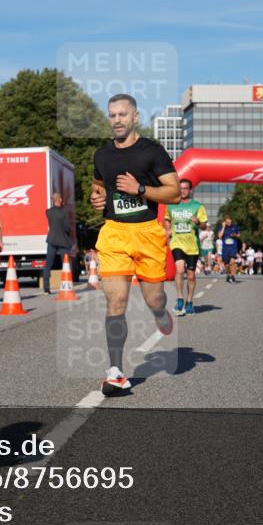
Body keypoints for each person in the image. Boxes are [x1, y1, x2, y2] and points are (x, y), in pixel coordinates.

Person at [90, 94, 180, 396]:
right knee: (115, 302)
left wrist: (140, 189)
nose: (117, 120)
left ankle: (160, 313)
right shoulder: (102, 155)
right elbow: (98, 185)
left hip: (147, 233)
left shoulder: (152, 151)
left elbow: (175, 193)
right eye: (112, 115)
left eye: (122, 115)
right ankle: (115, 371)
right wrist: (97, 197)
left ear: (135, 117)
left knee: (155, 299)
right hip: (114, 233)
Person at [165, 178, 207, 316]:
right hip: (177, 242)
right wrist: (168, 229)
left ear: (190, 190)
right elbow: (167, 219)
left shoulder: (198, 206)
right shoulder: (171, 205)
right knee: (179, 268)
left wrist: (198, 221)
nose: (182, 191)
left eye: (185, 188)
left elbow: (204, 226)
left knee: (191, 276)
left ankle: (189, 301)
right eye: (180, 188)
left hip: (192, 245)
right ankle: (179, 299)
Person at [43, 192, 73, 294]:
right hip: (63, 241)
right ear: (59, 200)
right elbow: (66, 227)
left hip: (51, 240)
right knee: (65, 265)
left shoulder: (48, 212)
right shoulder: (64, 212)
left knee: (48, 265)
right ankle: (67, 285)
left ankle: (46, 288)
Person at [219, 216, 241, 283]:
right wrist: (223, 227)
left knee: (232, 262)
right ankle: (228, 275)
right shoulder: (222, 228)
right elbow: (220, 236)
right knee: (226, 264)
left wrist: (235, 235)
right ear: (225, 222)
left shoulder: (235, 227)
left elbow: (239, 235)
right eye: (227, 221)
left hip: (233, 247)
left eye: (230, 220)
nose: (229, 222)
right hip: (225, 248)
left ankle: (233, 276)